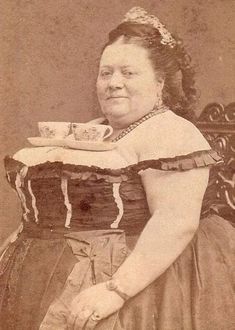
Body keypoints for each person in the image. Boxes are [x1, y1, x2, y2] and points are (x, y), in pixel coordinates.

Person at [1, 6, 234, 330]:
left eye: (128, 73)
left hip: (147, 281)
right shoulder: (94, 131)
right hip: (63, 273)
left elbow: (175, 222)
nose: (113, 83)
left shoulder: (172, 133)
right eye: (105, 72)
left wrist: (115, 291)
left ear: (159, 83)